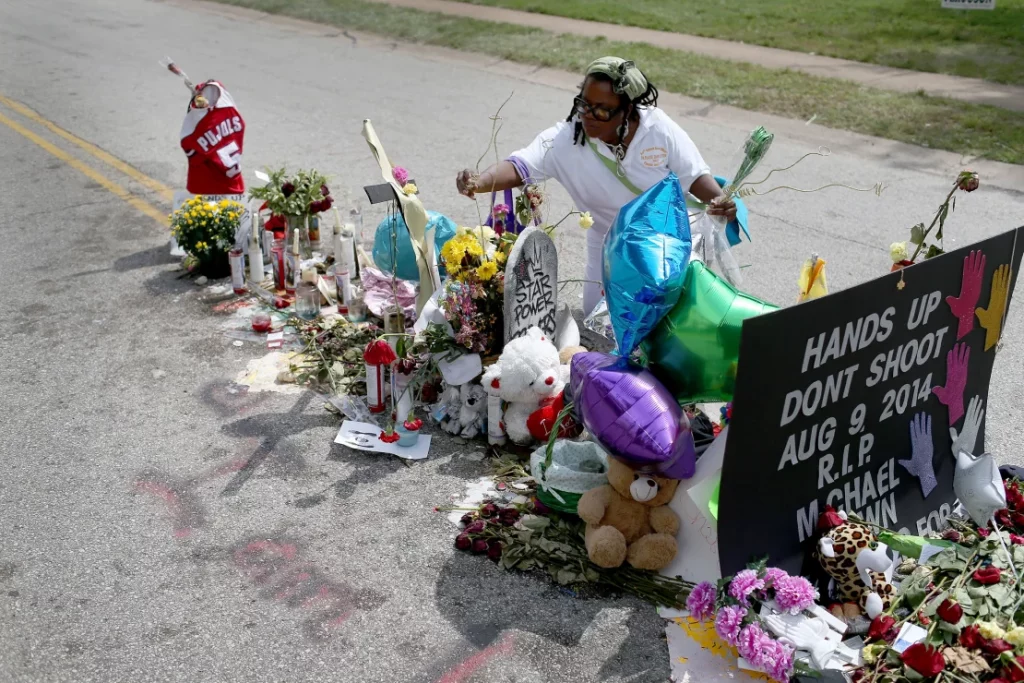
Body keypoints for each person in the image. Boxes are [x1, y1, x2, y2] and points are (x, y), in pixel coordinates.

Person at [457, 56, 736, 316]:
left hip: (664, 239)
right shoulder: (567, 140)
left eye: (602, 110)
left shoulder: (658, 129)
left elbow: (696, 178)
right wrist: (479, 182)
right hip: (606, 239)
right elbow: (521, 165)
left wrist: (721, 201)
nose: (588, 115)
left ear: (628, 110)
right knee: (597, 314)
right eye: (584, 104)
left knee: (666, 316)